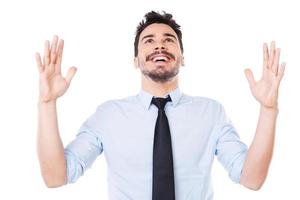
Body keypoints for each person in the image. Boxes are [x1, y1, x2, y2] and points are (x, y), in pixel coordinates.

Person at [36, 11, 285, 200]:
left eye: (169, 39)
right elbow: (56, 177)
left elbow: (251, 179)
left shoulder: (211, 113)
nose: (159, 45)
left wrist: (269, 110)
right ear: (135, 60)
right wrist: (47, 103)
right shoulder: (108, 115)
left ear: (182, 58)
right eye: (148, 40)